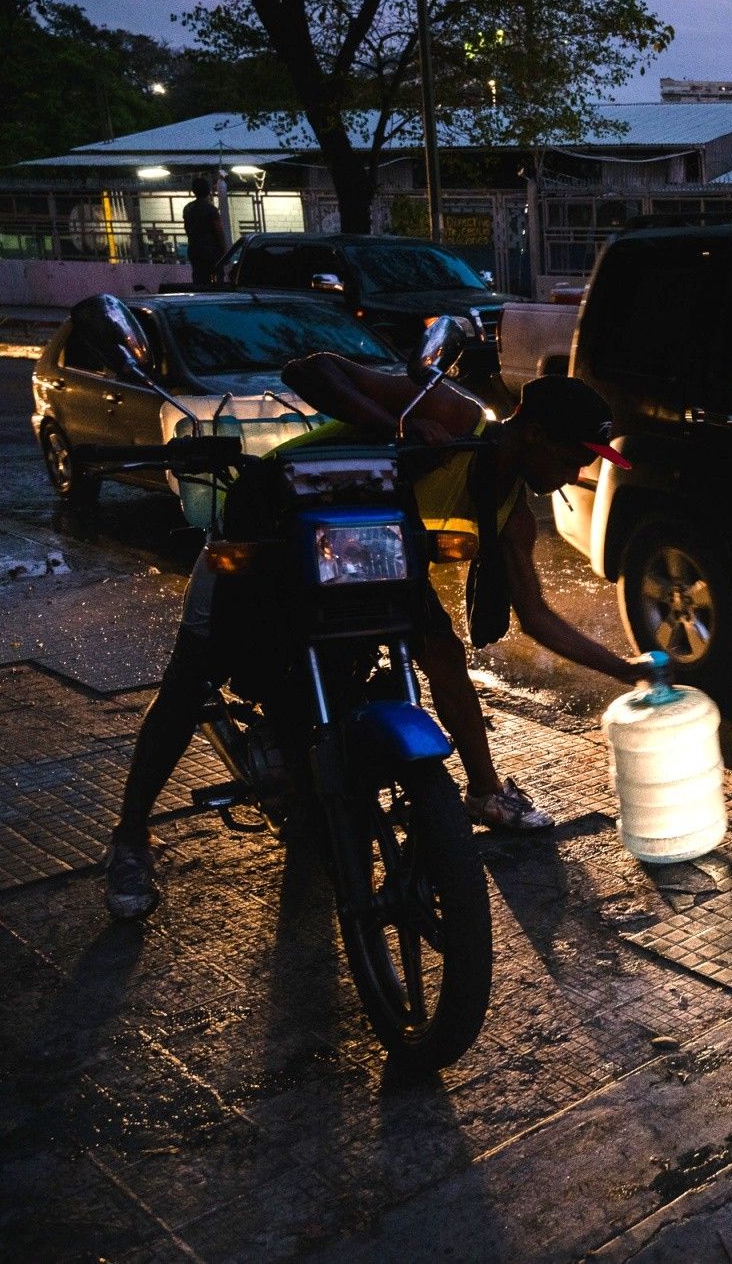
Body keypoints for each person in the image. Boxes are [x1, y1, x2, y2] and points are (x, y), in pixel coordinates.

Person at [102, 368, 654, 919]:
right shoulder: (452, 415)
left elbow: (536, 616)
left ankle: (484, 791)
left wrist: (623, 670)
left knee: (443, 653)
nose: (578, 471)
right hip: (270, 525)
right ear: (536, 434)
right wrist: (399, 424)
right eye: (575, 456)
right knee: (191, 675)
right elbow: (308, 369)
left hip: (362, 565)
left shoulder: (512, 514)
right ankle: (129, 836)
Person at [182, 176, 226, 286]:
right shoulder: (211, 209)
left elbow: (187, 229)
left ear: (194, 191)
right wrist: (225, 251)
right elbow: (219, 231)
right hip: (211, 252)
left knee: (198, 279)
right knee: (216, 282)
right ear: (208, 190)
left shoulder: (188, 208)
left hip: (194, 250)